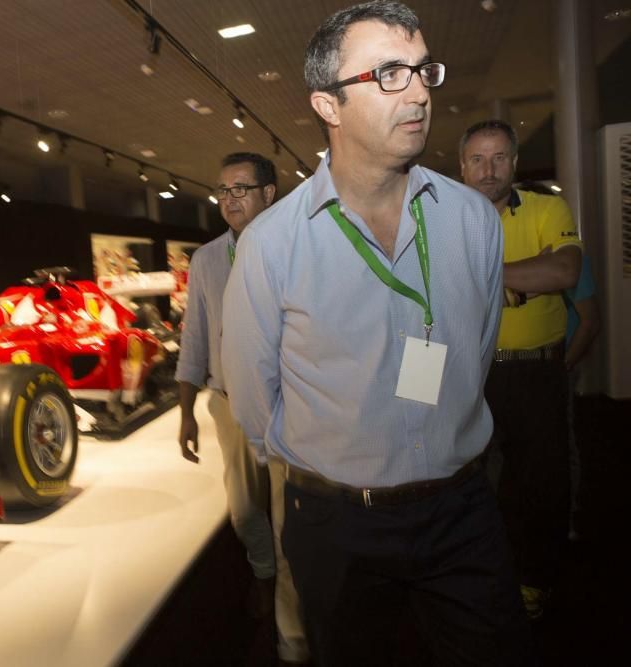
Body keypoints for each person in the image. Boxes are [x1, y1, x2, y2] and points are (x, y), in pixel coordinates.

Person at [222, 3, 533, 665]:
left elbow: (474, 355)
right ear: (328, 106)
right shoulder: (273, 245)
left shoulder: (473, 223)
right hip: (337, 524)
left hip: (462, 509)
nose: (419, 90)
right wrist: (326, 471)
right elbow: (253, 398)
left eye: (423, 70)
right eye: (390, 73)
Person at [175, 152, 309, 665]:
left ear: (269, 194)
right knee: (245, 513)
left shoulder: (296, 250)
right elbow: (194, 339)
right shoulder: (207, 260)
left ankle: (292, 640)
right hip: (228, 406)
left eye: (241, 189)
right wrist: (188, 411)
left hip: (286, 408)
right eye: (223, 190)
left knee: (287, 523)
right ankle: (263, 576)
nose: (230, 199)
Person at [460, 119, 583, 620]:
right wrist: (518, 278)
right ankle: (478, 577)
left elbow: (564, 270)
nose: (488, 170)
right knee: (468, 484)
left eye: (499, 158)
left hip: (535, 375)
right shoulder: (443, 220)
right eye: (477, 159)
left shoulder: (547, 207)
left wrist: (482, 277)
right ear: (462, 165)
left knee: (542, 485)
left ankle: (535, 579)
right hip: (471, 376)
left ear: (514, 162)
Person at [562, 255, 600, 541]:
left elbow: (590, 320)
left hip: (554, 367)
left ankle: (568, 516)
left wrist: (563, 366)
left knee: (561, 441)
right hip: (507, 368)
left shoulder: (570, 257)